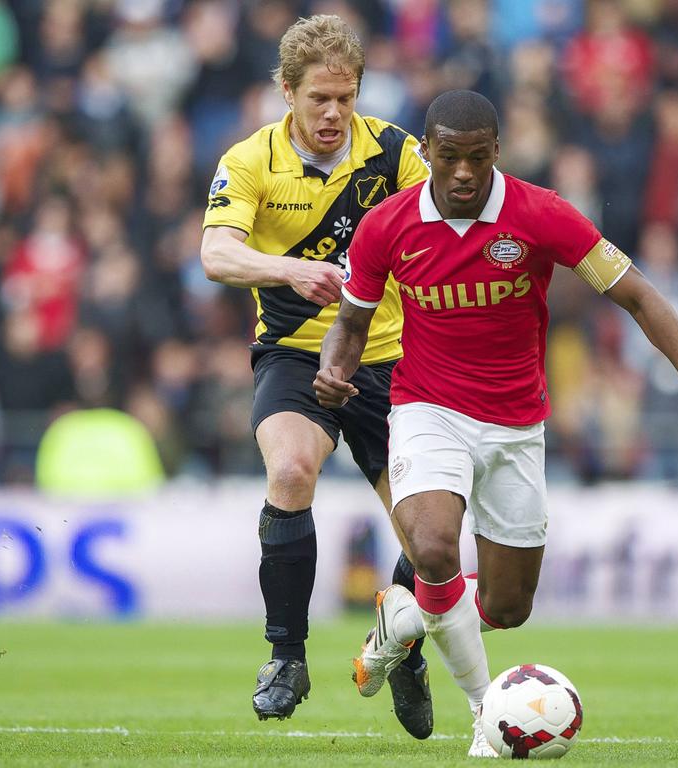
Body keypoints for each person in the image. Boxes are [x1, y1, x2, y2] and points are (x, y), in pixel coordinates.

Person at [314, 89, 678, 756]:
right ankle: (485, 715)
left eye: (476, 157)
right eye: (448, 159)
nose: (463, 172)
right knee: (434, 549)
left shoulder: (542, 214)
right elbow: (350, 324)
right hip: (427, 410)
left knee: (507, 605)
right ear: (427, 156)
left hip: (516, 424)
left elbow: (639, 295)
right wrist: (335, 369)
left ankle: (401, 617)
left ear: (497, 151)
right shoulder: (388, 225)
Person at [199, 15, 434, 735]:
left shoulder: (396, 153)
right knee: (293, 471)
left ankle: (400, 645)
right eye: (318, 100)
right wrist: (288, 268)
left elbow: (446, 230)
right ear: (286, 92)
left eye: (346, 97)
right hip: (296, 353)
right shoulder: (250, 160)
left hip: (392, 356)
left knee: (432, 542)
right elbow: (215, 253)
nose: (333, 114)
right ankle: (286, 657)